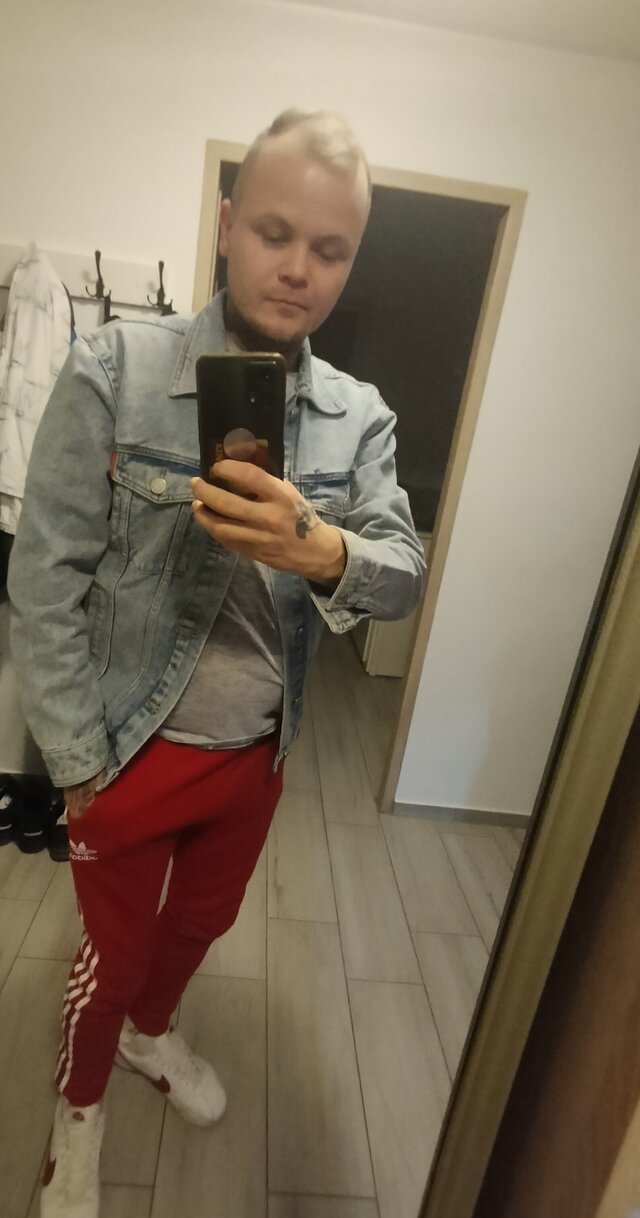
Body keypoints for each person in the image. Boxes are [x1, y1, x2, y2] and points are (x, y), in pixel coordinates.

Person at [8, 108, 426, 1218]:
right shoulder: (115, 368)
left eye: (329, 249)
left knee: (200, 925)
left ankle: (152, 1037)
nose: (298, 268)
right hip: (125, 749)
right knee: (109, 959)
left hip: (255, 757)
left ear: (350, 260)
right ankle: (78, 1116)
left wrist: (320, 547)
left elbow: (402, 575)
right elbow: (44, 580)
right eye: (275, 233)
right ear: (229, 225)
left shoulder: (358, 418)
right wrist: (76, 760)